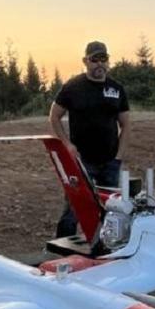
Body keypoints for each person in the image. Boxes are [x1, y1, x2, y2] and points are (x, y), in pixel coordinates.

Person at [49, 40, 131, 238]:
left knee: (111, 209)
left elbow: (126, 125)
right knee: (74, 207)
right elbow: (54, 116)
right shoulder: (73, 87)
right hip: (81, 161)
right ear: (85, 61)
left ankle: (104, 248)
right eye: (95, 59)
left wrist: (118, 157)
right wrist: (67, 144)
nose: (100, 64)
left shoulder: (116, 89)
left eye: (104, 59)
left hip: (110, 162)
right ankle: (60, 251)